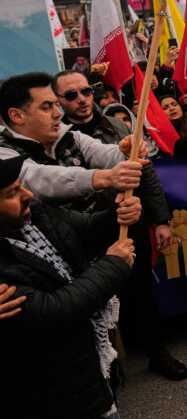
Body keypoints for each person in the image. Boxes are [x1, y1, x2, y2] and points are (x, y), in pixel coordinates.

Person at [52, 70, 186, 380]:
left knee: (140, 293)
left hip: (128, 224)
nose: (82, 99)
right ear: (58, 102)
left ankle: (157, 353)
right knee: (92, 299)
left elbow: (146, 173)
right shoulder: (55, 137)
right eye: (71, 95)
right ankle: (106, 368)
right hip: (82, 235)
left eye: (86, 91)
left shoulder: (116, 126)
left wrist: (161, 220)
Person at [0, 154, 141, 418]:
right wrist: (113, 265)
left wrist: (119, 214)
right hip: (47, 394)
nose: (27, 194)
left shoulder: (37, 215)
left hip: (88, 373)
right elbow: (52, 311)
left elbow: (87, 230)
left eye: (21, 186)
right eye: (11, 193)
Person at [0, 72, 145, 209]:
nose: (57, 113)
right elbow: (38, 178)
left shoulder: (69, 136)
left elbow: (99, 151)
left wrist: (125, 152)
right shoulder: (5, 153)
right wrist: (101, 178)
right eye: (46, 107)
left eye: (55, 105)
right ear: (17, 116)